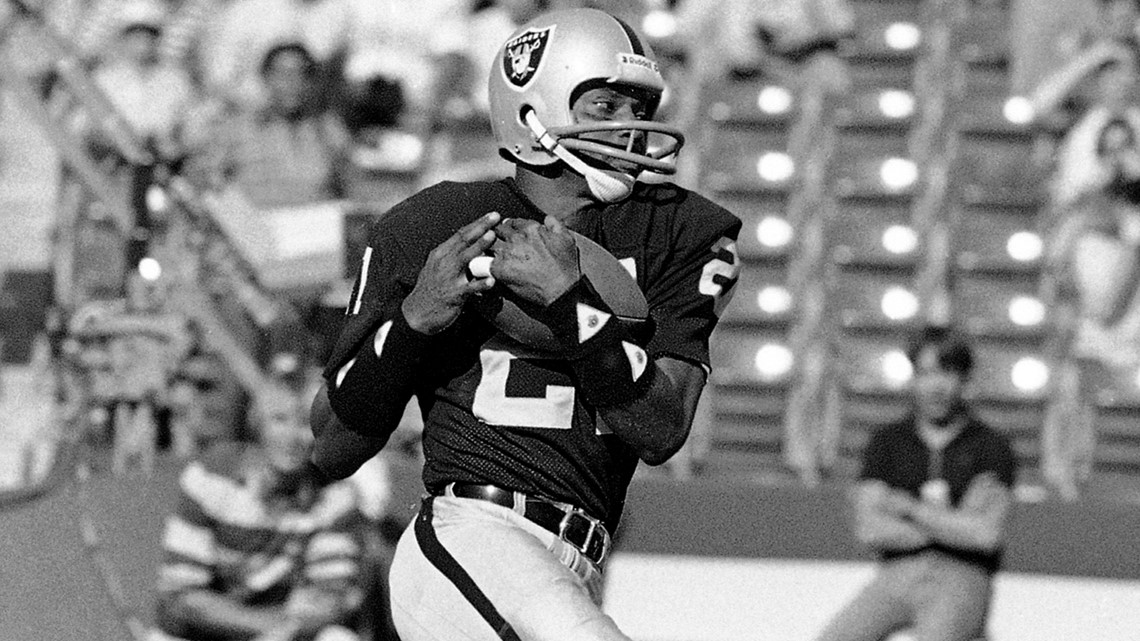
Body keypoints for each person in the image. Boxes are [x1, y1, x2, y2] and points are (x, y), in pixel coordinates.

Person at [308, 8, 742, 641]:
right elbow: (331, 447)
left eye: (640, 107)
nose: (633, 128)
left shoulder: (683, 230)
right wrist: (413, 321)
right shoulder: (434, 222)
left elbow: (660, 428)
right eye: (606, 106)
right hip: (472, 534)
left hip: (580, 556)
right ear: (533, 108)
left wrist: (569, 303)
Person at [814, 326, 1018, 641]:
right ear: (912, 378)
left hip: (962, 574)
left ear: (964, 379)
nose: (936, 386)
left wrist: (905, 507)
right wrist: (953, 523)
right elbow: (869, 528)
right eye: (925, 373)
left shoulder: (991, 446)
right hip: (897, 572)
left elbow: (985, 535)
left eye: (946, 373)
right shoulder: (888, 442)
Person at [154, 377, 378, 641]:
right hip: (206, 631)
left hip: (286, 631)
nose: (293, 437)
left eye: (307, 424)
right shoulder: (210, 478)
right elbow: (182, 595)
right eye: (280, 420)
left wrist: (285, 629)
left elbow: (330, 595)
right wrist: (264, 626)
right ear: (255, 424)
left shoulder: (334, 496)